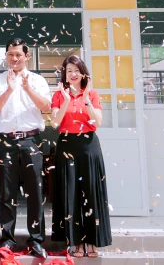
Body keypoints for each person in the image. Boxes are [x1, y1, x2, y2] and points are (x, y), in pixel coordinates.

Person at [0, 38, 52, 259]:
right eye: (10, 54)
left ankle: (36, 240)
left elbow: (47, 107)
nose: (14, 58)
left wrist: (27, 88)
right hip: (6, 142)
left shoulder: (37, 80)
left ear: (27, 56)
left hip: (31, 140)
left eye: (18, 54)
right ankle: (7, 240)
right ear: (6, 56)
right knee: (7, 193)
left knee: (35, 191)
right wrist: (9, 89)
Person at [50, 55, 111, 258]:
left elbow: (97, 122)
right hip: (67, 145)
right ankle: (75, 241)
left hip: (88, 146)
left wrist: (86, 101)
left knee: (91, 192)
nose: (73, 74)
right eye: (69, 71)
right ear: (64, 75)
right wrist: (66, 100)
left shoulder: (92, 94)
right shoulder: (58, 95)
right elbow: (54, 123)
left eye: (76, 70)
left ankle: (92, 241)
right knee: (71, 193)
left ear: (83, 73)